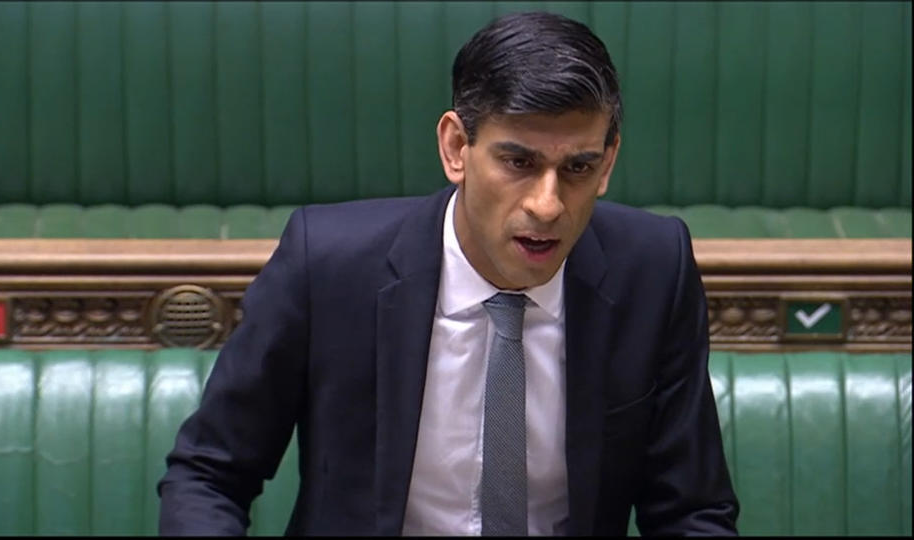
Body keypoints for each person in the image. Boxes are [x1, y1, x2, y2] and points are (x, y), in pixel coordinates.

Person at [158, 11, 739, 536]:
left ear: (607, 163)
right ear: (457, 147)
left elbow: (691, 513)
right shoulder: (328, 267)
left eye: (578, 168)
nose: (547, 204)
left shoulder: (652, 269)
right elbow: (208, 476)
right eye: (519, 162)